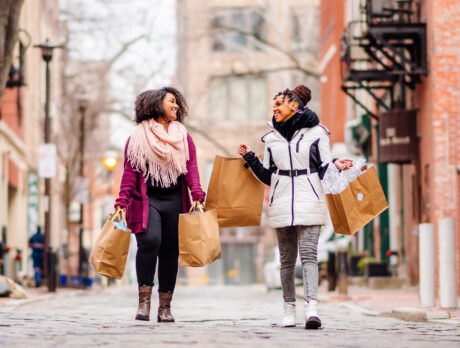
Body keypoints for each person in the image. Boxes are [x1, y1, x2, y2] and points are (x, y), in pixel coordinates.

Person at [238, 85, 352, 330]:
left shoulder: (318, 133)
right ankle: (288, 309)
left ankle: (312, 309)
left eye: (279, 103)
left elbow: (323, 166)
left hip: (310, 197)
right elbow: (268, 176)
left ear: (294, 105)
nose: (274, 108)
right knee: (287, 260)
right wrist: (251, 159)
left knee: (309, 256)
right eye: (274, 104)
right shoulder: (270, 138)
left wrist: (336, 164)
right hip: (280, 200)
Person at [115, 87, 205, 322]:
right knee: (151, 241)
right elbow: (129, 172)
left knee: (170, 251)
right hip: (148, 200)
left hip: (175, 199)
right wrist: (122, 201)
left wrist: (197, 193)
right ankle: (144, 302)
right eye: (171, 102)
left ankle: (165, 307)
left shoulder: (182, 135)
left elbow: (191, 167)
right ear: (156, 105)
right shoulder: (138, 136)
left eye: (177, 102)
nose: (175, 106)